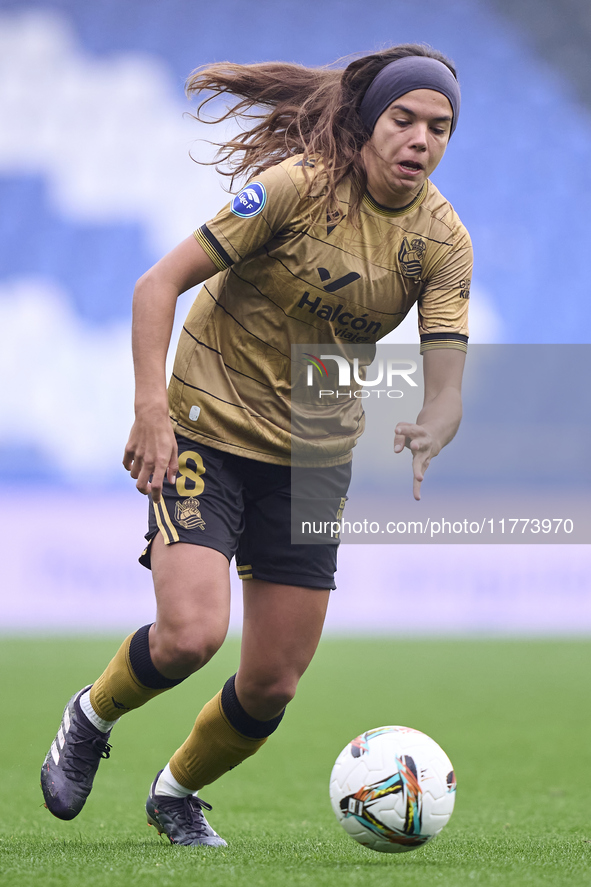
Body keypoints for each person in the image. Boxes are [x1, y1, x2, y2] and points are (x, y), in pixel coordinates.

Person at [40, 43, 471, 847]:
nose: (421, 138)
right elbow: (155, 285)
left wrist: (436, 419)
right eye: (404, 119)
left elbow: (445, 376)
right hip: (208, 424)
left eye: (439, 127)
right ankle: (90, 716)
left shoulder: (442, 240)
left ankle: (175, 793)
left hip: (313, 457)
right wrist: (150, 410)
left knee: (273, 679)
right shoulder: (294, 188)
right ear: (368, 123)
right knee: (191, 636)